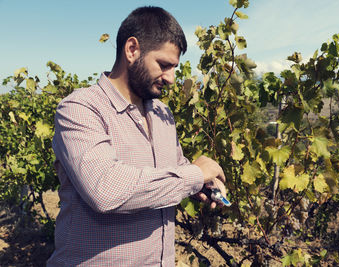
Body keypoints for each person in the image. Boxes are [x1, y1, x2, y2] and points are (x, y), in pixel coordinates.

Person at [47, 6, 227, 267]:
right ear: (132, 50)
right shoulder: (80, 108)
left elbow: (174, 171)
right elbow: (105, 190)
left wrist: (201, 184)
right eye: (164, 65)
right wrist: (195, 174)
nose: (172, 79)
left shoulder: (163, 113)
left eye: (174, 67)